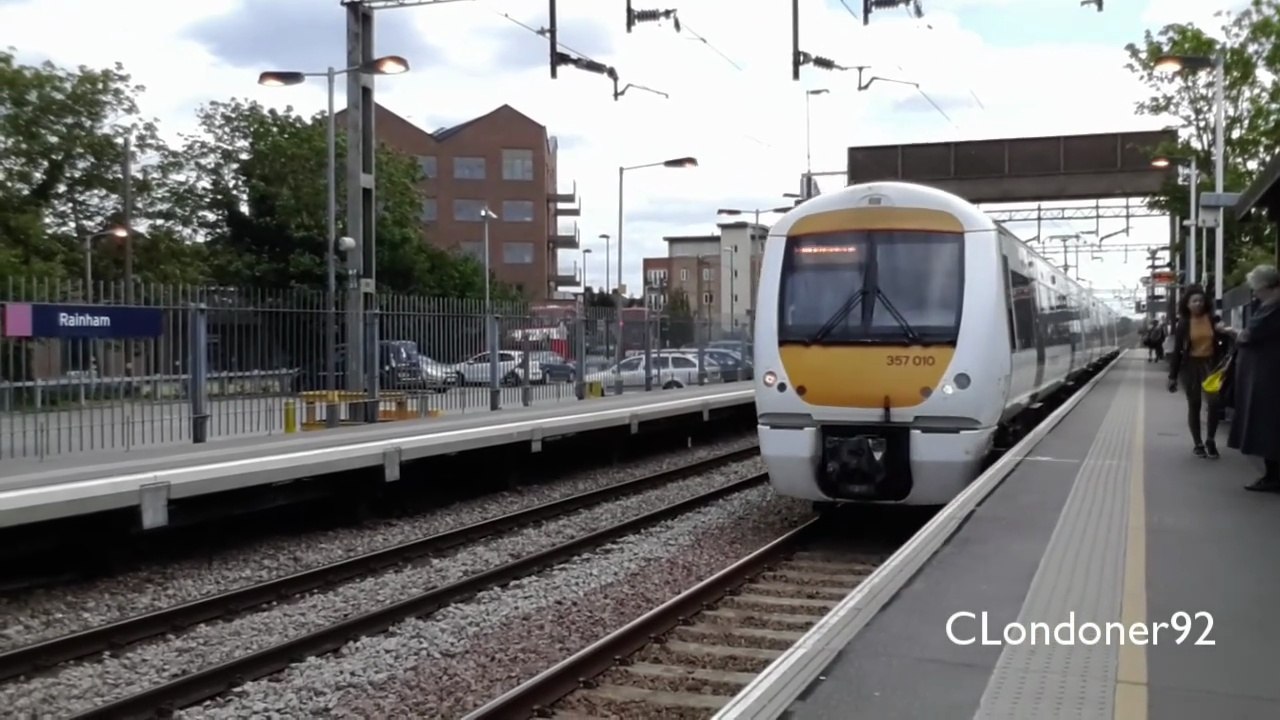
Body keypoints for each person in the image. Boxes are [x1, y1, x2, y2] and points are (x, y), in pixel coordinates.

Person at [1225, 265, 1280, 491]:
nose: (1254, 294)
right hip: (1266, 377)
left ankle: (1273, 477)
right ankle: (1272, 475)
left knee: (1268, 427)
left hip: (1269, 380)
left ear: (1268, 287)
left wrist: (1232, 332)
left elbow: (1250, 334)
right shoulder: (1268, 306)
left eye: (1256, 290)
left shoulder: (1273, 309)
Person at [1167, 286, 1230, 458]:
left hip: (1211, 365)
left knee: (1214, 403)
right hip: (1191, 367)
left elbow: (1224, 341)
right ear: (1187, 304)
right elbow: (1178, 350)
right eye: (1194, 301)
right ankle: (1198, 443)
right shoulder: (1184, 324)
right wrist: (1172, 376)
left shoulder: (1212, 319)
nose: (1198, 304)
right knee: (1194, 404)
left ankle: (1210, 439)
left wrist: (1223, 332)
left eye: (1201, 301)